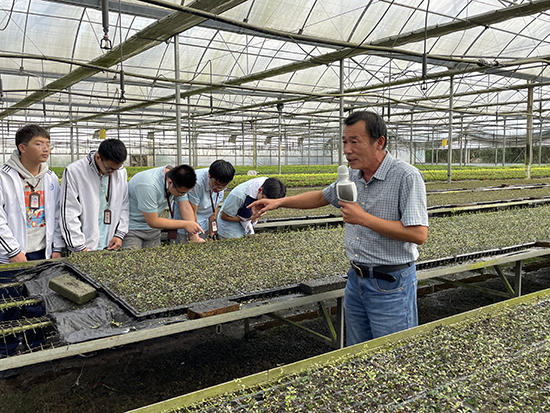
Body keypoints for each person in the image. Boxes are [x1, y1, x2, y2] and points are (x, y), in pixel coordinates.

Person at [250, 111, 429, 346]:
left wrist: (363, 218)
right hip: (356, 279)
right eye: (344, 142)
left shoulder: (406, 176)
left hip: (391, 284)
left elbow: (418, 234)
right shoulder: (352, 175)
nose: (347, 150)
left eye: (354, 141)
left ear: (379, 142)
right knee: (356, 351)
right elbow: (322, 196)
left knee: (392, 353)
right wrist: (280, 202)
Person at [0, 124, 64, 263]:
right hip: (12, 256)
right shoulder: (4, 178)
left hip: (44, 252)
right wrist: (13, 251)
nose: (46, 149)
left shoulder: (50, 177)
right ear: (22, 148)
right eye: (39, 144)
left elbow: (57, 213)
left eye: (48, 144)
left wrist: (57, 247)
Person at [59, 139, 129, 252]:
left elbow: (124, 204)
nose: (113, 172)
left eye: (117, 169)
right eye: (109, 169)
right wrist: (78, 246)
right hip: (84, 245)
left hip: (110, 242)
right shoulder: (75, 171)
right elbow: (68, 211)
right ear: (98, 157)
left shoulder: (120, 171)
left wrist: (119, 234)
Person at [122, 164, 203, 249]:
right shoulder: (148, 185)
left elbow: (185, 208)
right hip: (132, 228)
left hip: (154, 231)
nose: (182, 195)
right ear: (170, 183)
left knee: (154, 256)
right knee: (132, 256)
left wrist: (194, 236)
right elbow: (153, 221)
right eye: (181, 193)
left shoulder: (177, 179)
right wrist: (185, 224)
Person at [172, 159, 235, 243]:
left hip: (203, 225)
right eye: (216, 184)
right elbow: (192, 211)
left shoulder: (221, 182)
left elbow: (214, 209)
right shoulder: (196, 183)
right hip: (186, 224)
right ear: (209, 175)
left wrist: (211, 234)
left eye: (223, 186)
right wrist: (194, 236)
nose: (218, 188)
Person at [217, 177, 286, 239]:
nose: (265, 204)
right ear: (260, 190)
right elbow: (224, 217)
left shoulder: (271, 186)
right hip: (229, 228)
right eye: (264, 201)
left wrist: (256, 216)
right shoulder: (238, 196)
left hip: (247, 225)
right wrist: (251, 217)